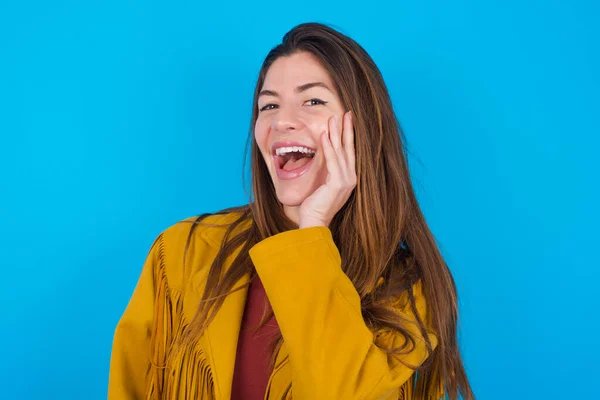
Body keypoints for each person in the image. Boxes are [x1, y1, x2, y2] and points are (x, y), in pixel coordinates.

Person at [108, 22, 475, 400]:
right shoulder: (182, 252)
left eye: (313, 101)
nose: (282, 121)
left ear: (360, 125)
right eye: (269, 105)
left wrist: (312, 229)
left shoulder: (407, 289)